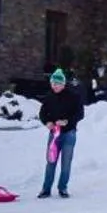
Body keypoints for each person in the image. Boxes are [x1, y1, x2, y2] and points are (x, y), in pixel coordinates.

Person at [39, 67, 85, 198]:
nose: (55, 86)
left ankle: (62, 188)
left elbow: (80, 114)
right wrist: (47, 122)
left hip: (69, 134)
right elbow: (43, 113)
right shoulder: (49, 97)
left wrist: (67, 122)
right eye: (53, 83)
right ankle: (46, 189)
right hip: (54, 134)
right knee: (51, 161)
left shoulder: (74, 96)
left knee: (66, 162)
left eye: (58, 84)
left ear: (63, 84)